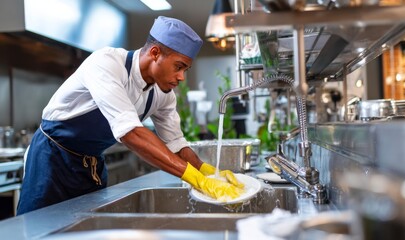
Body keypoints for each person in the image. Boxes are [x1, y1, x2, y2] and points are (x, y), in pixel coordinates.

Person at [17, 16, 244, 215]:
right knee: (39, 230)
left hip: (91, 166)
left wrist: (208, 172)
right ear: (155, 53)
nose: (182, 77)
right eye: (179, 66)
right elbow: (130, 133)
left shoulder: (163, 94)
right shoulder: (106, 63)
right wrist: (197, 181)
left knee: (86, 231)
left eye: (186, 69)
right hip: (50, 160)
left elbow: (175, 143)